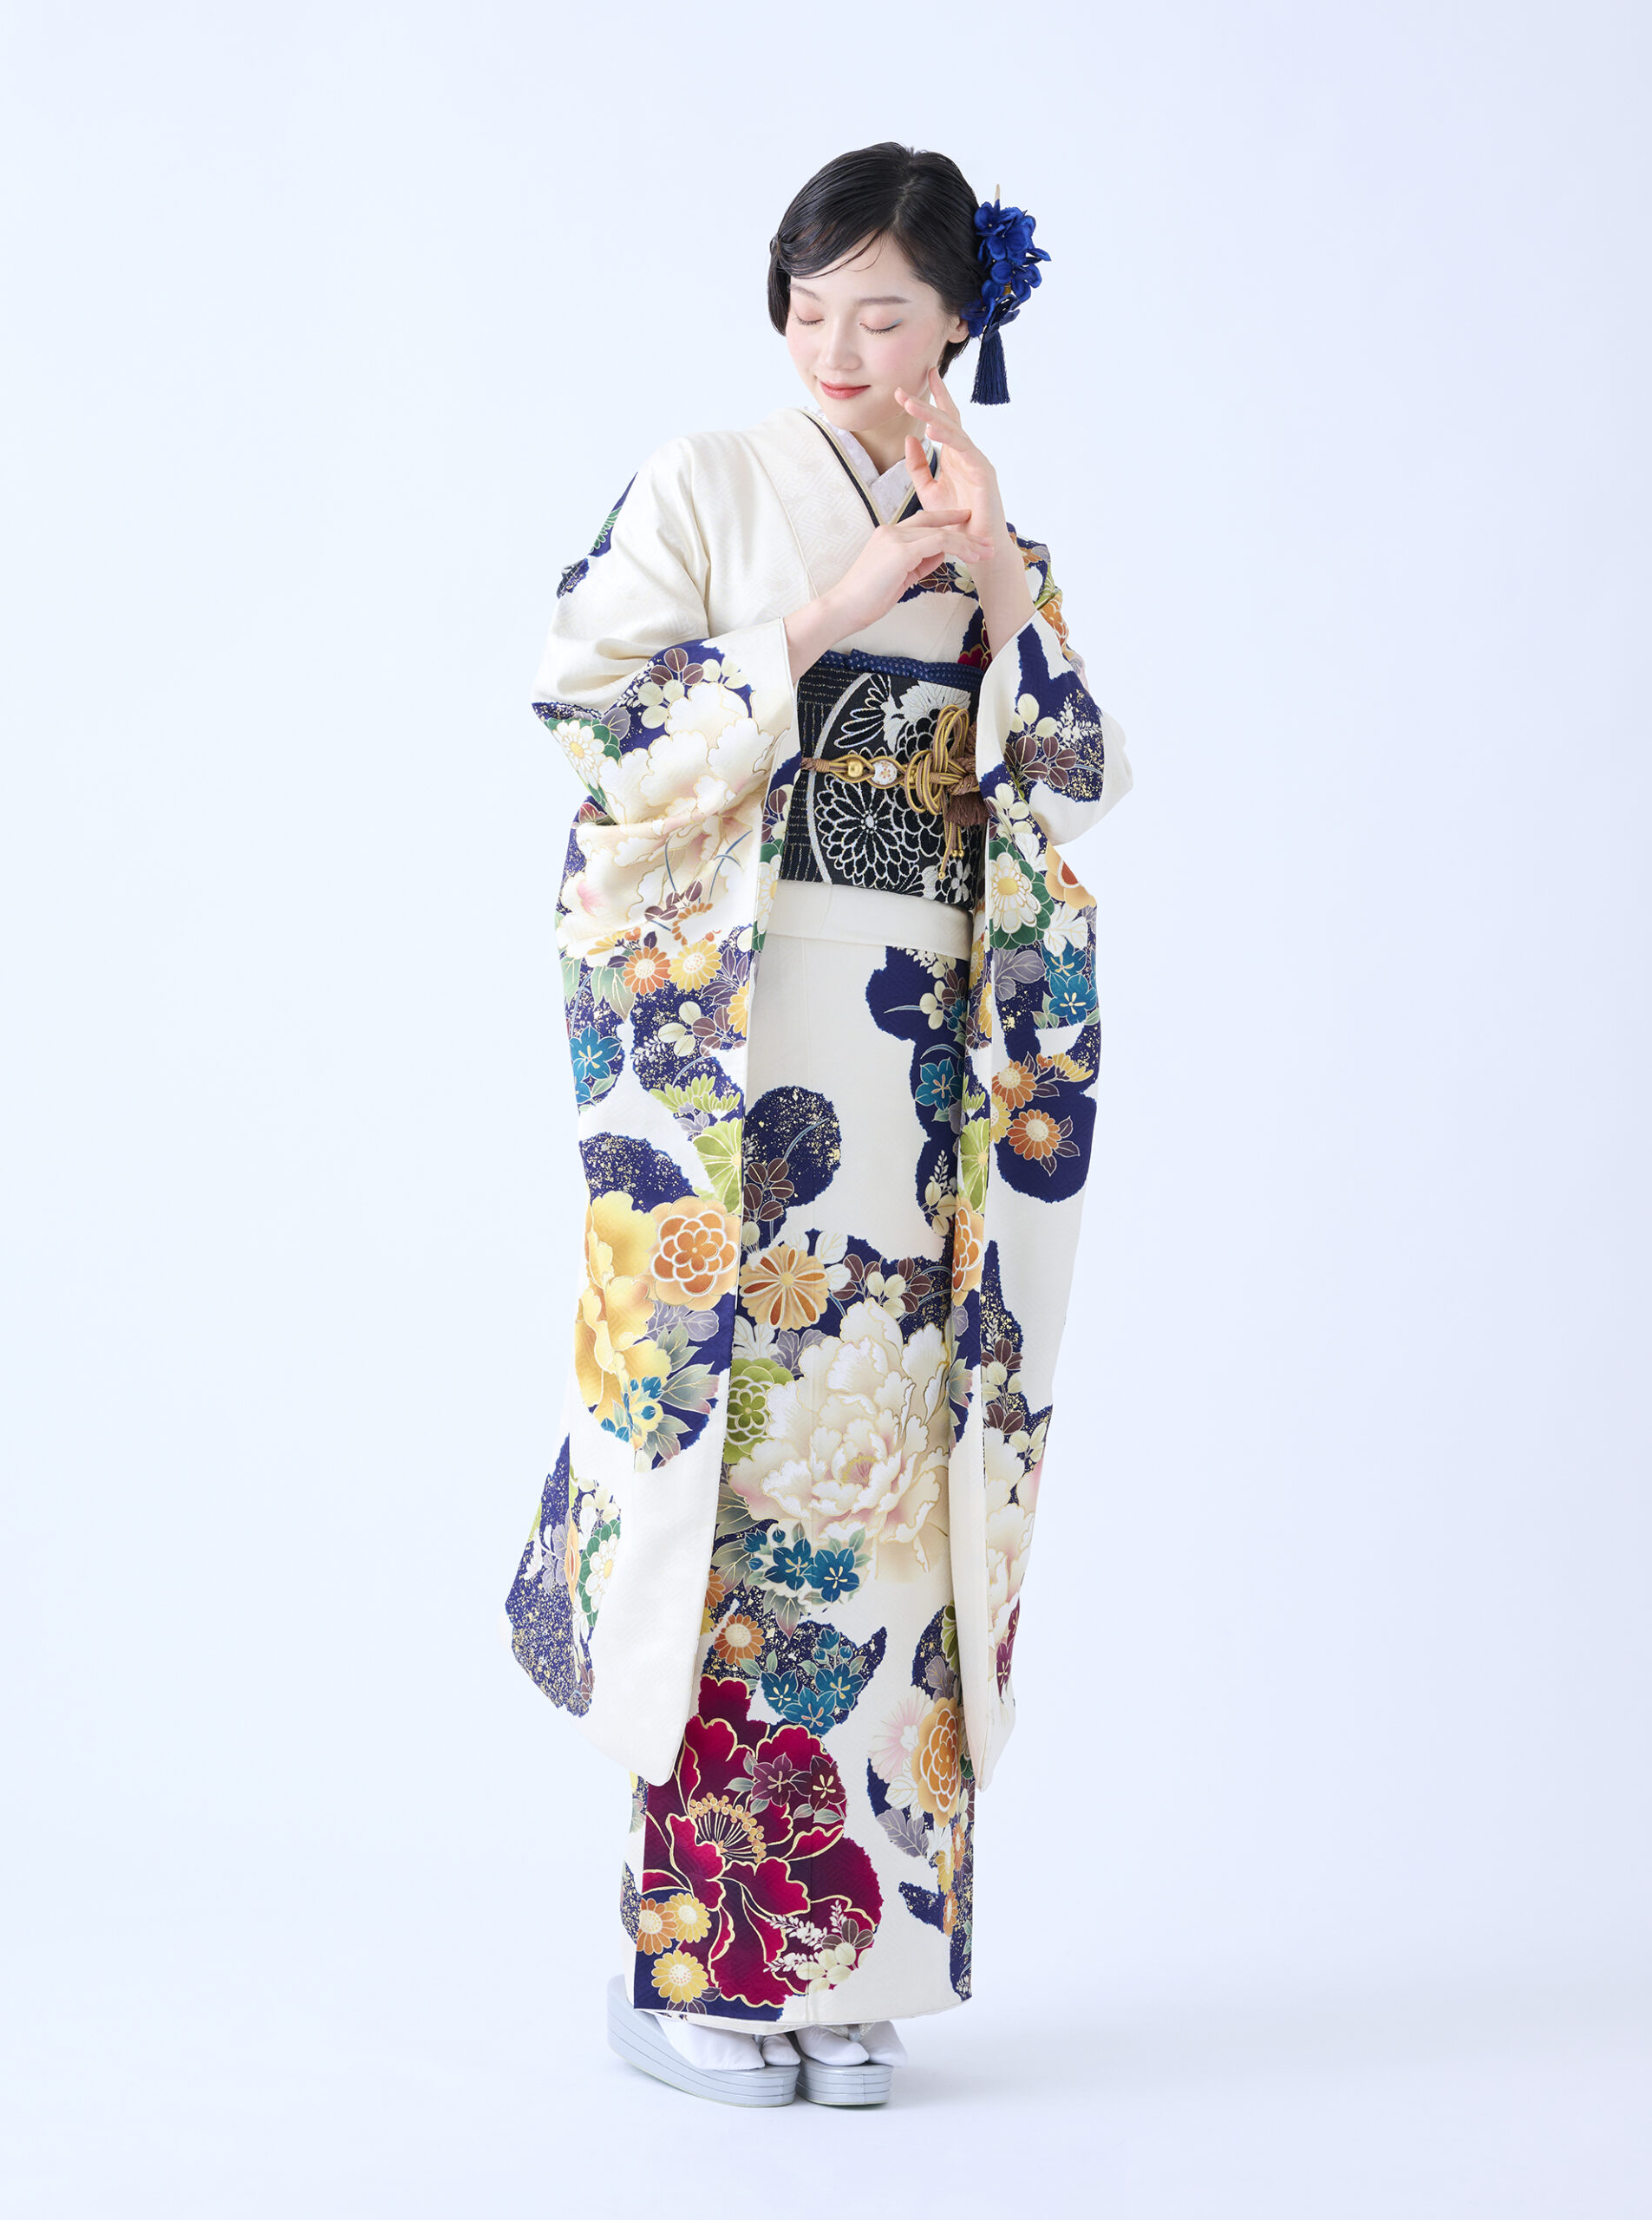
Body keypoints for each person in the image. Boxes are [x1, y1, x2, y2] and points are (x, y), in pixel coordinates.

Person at [505, 140, 1132, 2108]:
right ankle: (693, 1964)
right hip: (744, 1064)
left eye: (884, 313)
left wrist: (997, 574)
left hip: (922, 1074)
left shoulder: (991, 533)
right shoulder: (706, 482)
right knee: (743, 1472)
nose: (840, 349)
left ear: (960, 325)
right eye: (809, 310)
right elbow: (592, 717)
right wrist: (847, 603)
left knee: (899, 1482)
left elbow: (1075, 784)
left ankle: (851, 1961)